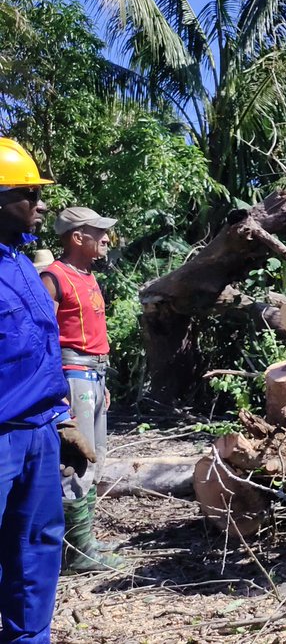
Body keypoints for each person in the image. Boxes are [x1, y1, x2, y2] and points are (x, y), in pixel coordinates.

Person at [0, 137, 93, 642]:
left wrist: (62, 418)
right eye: (27, 194)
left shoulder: (21, 264)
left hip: (37, 433)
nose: (40, 205)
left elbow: (39, 348)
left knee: (36, 550)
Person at [40, 206, 123, 574]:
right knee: (75, 463)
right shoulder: (53, 277)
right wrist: (56, 388)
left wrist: (103, 381)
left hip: (93, 376)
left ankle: (82, 540)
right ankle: (78, 553)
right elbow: (42, 337)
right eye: (98, 232)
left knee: (95, 457)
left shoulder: (87, 275)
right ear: (77, 237)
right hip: (72, 376)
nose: (106, 238)